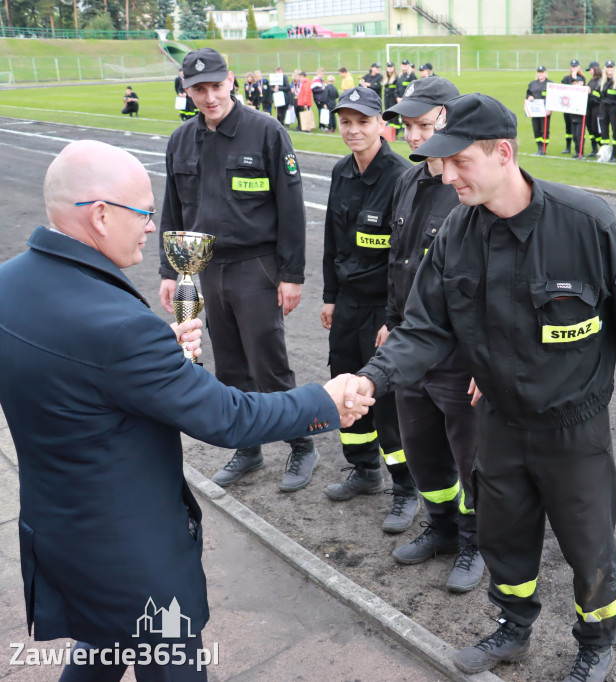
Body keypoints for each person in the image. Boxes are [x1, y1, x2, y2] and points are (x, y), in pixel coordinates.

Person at [333, 92, 616, 682]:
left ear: (503, 153)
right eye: (441, 161)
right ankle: (512, 627)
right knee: (504, 537)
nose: (445, 174)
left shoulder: (586, 222)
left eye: (459, 161)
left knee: (588, 543)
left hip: (573, 426)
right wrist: (371, 378)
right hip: (497, 419)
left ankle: (595, 644)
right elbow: (424, 330)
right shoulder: (456, 234)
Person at [0, 140, 367, 682]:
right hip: (130, 551)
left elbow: (70, 374)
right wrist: (324, 401)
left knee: (100, 645)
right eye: (145, 213)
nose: (152, 227)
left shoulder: (11, 283)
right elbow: (228, 418)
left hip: (59, 529)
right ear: (100, 215)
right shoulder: (120, 329)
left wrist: (149, 360)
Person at [160, 48, 320, 492]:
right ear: (186, 88)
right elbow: (173, 208)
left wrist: (292, 275)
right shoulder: (180, 140)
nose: (209, 96)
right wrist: (170, 270)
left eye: (215, 85)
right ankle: (248, 448)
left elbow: (291, 208)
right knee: (229, 365)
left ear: (231, 81)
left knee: (269, 364)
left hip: (257, 267)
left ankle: (301, 445)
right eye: (198, 89)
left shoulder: (265, 132)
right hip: (207, 269)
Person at [377, 76, 485, 592]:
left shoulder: (470, 188)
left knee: (473, 457)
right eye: (408, 126)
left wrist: (484, 360)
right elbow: (397, 262)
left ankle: (474, 540)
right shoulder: (409, 179)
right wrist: (389, 320)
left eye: (422, 125)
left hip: (458, 355)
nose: (412, 136)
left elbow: (491, 286)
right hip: (410, 346)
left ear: (448, 118)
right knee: (422, 449)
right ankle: (440, 528)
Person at [321, 86, 419, 533]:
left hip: (383, 306)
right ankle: (362, 469)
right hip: (348, 303)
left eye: (363, 121)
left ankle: (405, 486)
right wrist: (329, 295)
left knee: (386, 400)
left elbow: (405, 256)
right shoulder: (341, 172)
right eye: (346, 121)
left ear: (383, 125)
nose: (353, 130)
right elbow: (331, 241)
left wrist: (392, 318)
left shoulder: (401, 176)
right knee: (344, 387)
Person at [598, 60, 616, 161]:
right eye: (608, 67)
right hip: (604, 107)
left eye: (611, 67)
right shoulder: (602, 81)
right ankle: (604, 152)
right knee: (604, 131)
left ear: (614, 68)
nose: (609, 69)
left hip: (614, 108)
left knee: (615, 131)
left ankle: (614, 154)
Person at [561, 59, 587, 155]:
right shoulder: (567, 78)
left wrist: (575, 77)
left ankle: (578, 150)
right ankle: (568, 147)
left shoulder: (581, 78)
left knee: (578, 131)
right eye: (572, 66)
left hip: (577, 108)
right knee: (568, 127)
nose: (574, 68)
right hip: (568, 107)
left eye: (575, 66)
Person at [527, 65, 551, 155]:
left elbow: (553, 98)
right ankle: (539, 147)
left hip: (545, 111)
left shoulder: (550, 84)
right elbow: (528, 93)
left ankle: (544, 148)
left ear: (545, 73)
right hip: (535, 110)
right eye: (539, 72)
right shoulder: (532, 83)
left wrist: (549, 109)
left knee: (544, 129)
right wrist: (529, 97)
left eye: (542, 72)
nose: (540, 74)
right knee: (536, 129)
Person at [585, 61, 604, 157]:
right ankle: (594, 148)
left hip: (597, 107)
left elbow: (600, 95)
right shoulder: (591, 80)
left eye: (590, 70)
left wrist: (591, 92)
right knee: (590, 128)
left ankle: (603, 146)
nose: (589, 72)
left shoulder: (601, 81)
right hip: (589, 107)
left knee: (596, 128)